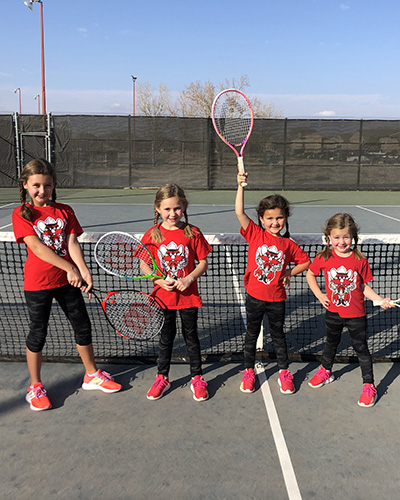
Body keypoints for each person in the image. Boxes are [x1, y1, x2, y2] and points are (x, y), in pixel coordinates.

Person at [12, 159, 121, 411]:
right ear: (26, 185)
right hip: (38, 283)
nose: (42, 191)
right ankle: (35, 386)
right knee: (38, 332)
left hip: (68, 282)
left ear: (54, 186)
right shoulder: (21, 214)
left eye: (47, 185)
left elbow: (72, 244)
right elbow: (37, 248)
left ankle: (91, 375)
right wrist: (70, 268)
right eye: (36, 185)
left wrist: (83, 271)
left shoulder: (65, 211)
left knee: (82, 325)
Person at [306, 213, 394, 408]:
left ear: (353, 237)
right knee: (331, 343)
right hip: (333, 313)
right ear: (328, 237)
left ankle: (369, 385)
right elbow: (310, 274)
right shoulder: (324, 257)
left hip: (356, 315)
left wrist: (379, 300)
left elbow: (363, 287)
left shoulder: (359, 260)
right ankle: (326, 371)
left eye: (346, 237)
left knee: (361, 348)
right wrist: (320, 295)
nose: (341, 241)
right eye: (336, 237)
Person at [235, 172, 310, 395]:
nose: (275, 222)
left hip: (277, 298)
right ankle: (248, 370)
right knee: (251, 334)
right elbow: (239, 212)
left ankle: (284, 372)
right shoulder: (255, 234)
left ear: (285, 218)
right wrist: (240, 186)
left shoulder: (288, 244)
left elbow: (305, 262)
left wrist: (290, 271)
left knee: (278, 335)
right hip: (254, 296)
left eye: (279, 218)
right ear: (261, 219)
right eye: (269, 218)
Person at [141, 184, 212, 402]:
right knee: (166, 338)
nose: (173, 214)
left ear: (184, 208)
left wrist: (189, 278)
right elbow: (144, 265)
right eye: (167, 209)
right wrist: (158, 280)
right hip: (163, 298)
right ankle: (162, 376)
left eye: (177, 209)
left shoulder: (193, 232)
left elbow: (203, 262)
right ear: (157, 209)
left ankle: (197, 377)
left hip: (188, 297)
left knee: (191, 337)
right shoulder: (152, 235)